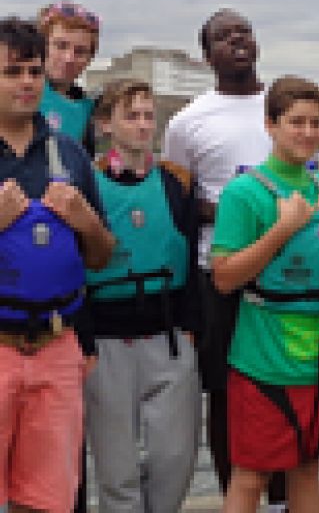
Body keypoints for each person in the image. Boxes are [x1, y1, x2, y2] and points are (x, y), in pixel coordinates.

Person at [212, 75, 319, 513]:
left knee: (308, 468)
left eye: (316, 123)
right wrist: (282, 229)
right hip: (265, 361)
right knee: (252, 474)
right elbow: (224, 277)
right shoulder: (244, 193)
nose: (308, 133)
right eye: (296, 122)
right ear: (270, 125)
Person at [162, 9, 286, 505]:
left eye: (244, 31)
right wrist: (244, 209)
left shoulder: (282, 105)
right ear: (207, 53)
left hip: (288, 275)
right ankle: (239, 497)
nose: (237, 39)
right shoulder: (187, 122)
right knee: (227, 393)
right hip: (222, 275)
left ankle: (280, 497)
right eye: (223, 35)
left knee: (282, 385)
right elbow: (177, 201)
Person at [0, 16, 114, 513]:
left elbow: (101, 256)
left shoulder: (69, 153)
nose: (27, 83)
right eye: (11, 72)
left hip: (55, 345)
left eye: (32, 71)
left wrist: (88, 222)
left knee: (48, 500)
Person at [84, 79, 202, 512]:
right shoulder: (88, 184)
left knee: (175, 456)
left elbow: (190, 253)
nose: (142, 125)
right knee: (117, 468)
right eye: (131, 116)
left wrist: (192, 328)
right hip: (107, 340)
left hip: (168, 335)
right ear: (105, 125)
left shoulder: (176, 183)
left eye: (148, 116)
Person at [37, 1, 100, 153]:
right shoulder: (19, 95)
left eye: (80, 51)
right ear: (41, 46)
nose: (69, 58)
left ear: (89, 59)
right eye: (61, 46)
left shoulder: (88, 109)